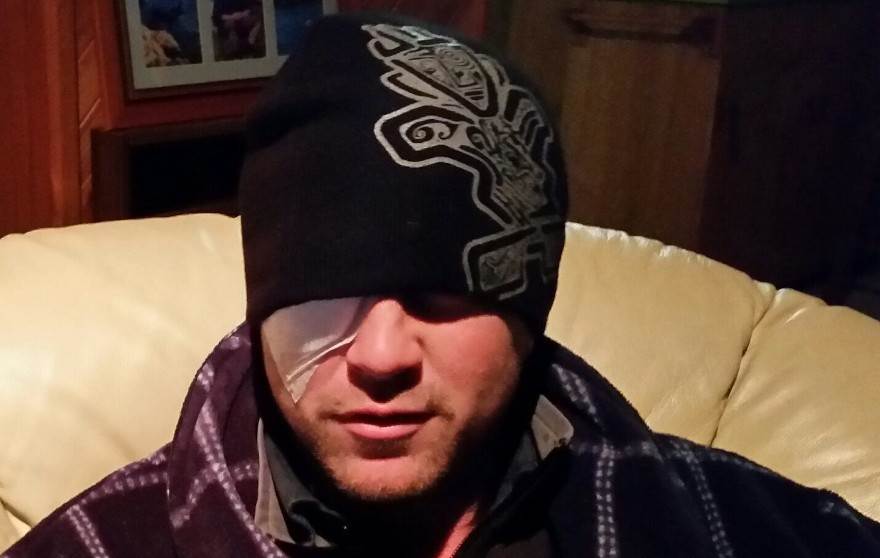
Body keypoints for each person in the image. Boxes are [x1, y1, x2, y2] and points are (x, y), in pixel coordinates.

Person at [5, 12, 880, 558]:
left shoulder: (714, 518)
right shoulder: (98, 545)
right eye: (325, 291)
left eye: (447, 295)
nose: (381, 355)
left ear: (529, 309)